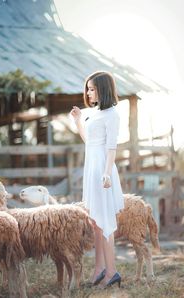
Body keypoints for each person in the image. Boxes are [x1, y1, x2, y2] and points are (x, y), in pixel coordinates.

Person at [70, 71, 124, 288]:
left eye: (92, 88)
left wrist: (107, 173)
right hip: (91, 167)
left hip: (103, 168)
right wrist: (77, 121)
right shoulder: (93, 113)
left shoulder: (113, 114)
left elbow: (112, 147)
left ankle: (112, 272)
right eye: (88, 88)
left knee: (105, 221)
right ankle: (100, 268)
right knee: (95, 222)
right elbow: (89, 141)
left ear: (103, 89)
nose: (88, 92)